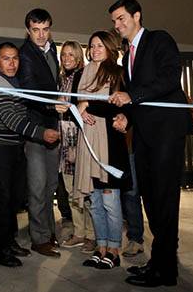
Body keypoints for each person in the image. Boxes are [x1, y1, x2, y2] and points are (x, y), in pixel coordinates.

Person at [108, 0, 191, 287]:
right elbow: (136, 99)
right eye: (114, 21)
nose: (117, 25)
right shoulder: (127, 54)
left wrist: (133, 96)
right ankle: (160, 259)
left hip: (166, 132)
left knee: (165, 200)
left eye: (121, 18)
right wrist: (126, 119)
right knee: (150, 200)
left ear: (137, 15)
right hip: (144, 135)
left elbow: (170, 78)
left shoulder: (159, 40)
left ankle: (165, 270)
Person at [0, 42, 59, 267]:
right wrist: (42, 133)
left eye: (15, 58)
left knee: (13, 199)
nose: (12, 63)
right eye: (6, 58)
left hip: (14, 147)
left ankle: (8, 241)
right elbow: (14, 121)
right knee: (1, 201)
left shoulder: (14, 82)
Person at [74, 31, 130, 270]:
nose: (95, 49)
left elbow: (116, 107)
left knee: (110, 202)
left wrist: (88, 104)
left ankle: (115, 250)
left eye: (100, 45)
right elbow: (75, 104)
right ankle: (101, 246)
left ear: (109, 48)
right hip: (87, 144)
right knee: (95, 202)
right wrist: (80, 108)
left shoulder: (118, 73)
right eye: (92, 45)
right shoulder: (84, 72)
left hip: (110, 147)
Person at [16, 8, 61, 257]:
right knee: (37, 185)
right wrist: (52, 105)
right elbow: (29, 91)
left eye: (45, 29)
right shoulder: (25, 54)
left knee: (50, 185)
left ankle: (47, 231)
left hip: (52, 125)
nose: (41, 35)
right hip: (34, 130)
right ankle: (39, 238)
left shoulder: (51, 50)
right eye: (36, 30)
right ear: (28, 31)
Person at [54, 41, 96, 253]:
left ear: (79, 56)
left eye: (72, 54)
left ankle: (91, 235)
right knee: (71, 190)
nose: (67, 58)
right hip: (64, 138)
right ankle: (79, 232)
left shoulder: (84, 76)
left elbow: (86, 105)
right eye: (64, 55)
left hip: (79, 138)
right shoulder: (62, 79)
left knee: (84, 190)